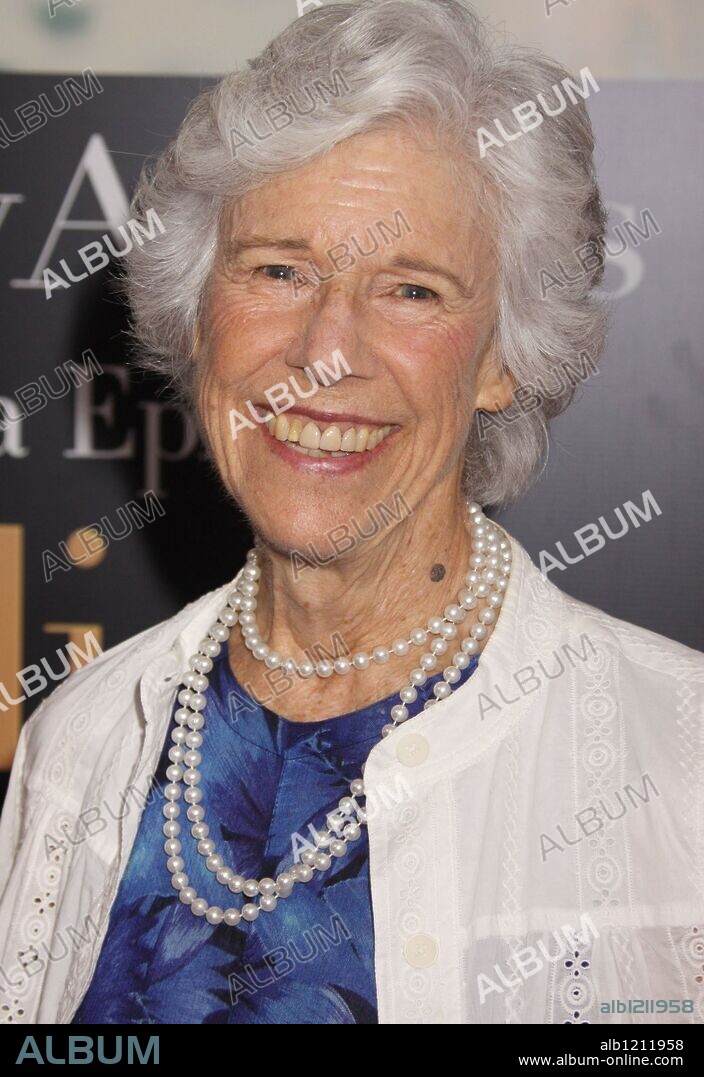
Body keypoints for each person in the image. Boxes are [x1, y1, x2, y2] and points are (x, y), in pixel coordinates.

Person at [1, 0, 702, 1026]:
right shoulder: (82, 741)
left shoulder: (676, 758)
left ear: (500, 359)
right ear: (198, 316)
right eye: (278, 269)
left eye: (411, 290)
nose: (325, 350)